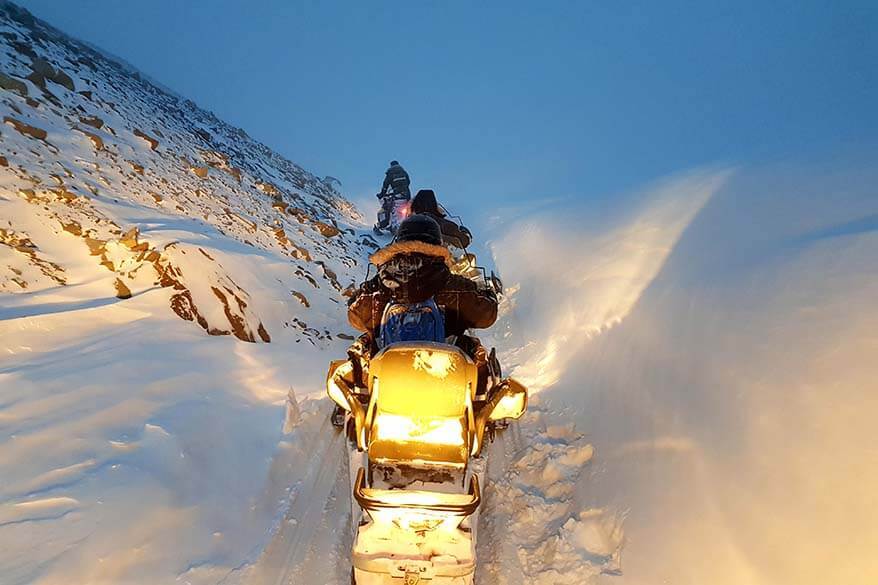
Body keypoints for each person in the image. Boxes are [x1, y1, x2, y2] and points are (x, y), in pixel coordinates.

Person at [375, 161, 411, 232]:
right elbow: (408, 182)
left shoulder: (390, 173)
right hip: (406, 195)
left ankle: (393, 226)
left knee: (393, 209)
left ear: (391, 166)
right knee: (406, 210)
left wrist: (381, 194)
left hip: (397, 195)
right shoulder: (404, 172)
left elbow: (385, 185)